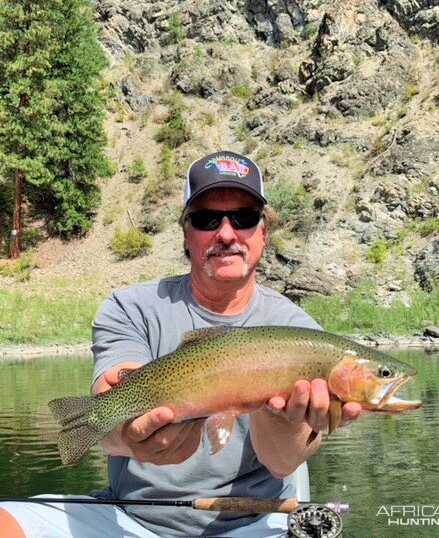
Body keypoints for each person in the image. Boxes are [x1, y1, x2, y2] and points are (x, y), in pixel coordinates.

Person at [0, 150, 361, 538]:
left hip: (257, 522)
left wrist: (282, 414)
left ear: (262, 233)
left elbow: (282, 462)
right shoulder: (130, 305)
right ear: (186, 233)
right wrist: (130, 432)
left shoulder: (300, 333)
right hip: (128, 518)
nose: (226, 234)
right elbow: (111, 420)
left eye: (243, 218)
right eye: (207, 219)